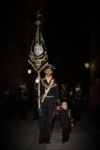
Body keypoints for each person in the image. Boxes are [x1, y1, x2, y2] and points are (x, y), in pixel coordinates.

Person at [34, 64, 61, 144]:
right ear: (44, 71)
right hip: (43, 101)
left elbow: (57, 94)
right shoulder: (41, 80)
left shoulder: (55, 82)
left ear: (52, 72)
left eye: (50, 70)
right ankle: (41, 139)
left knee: (49, 121)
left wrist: (58, 104)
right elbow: (36, 89)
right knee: (42, 120)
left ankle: (47, 139)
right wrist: (37, 81)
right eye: (47, 70)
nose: (48, 71)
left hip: (52, 102)